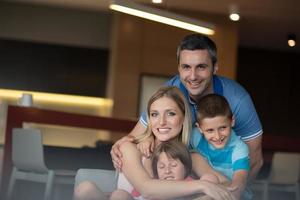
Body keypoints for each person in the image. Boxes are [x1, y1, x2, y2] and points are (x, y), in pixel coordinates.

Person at [111, 34, 263, 180]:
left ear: (215, 67)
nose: (193, 76)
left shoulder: (238, 99)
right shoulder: (170, 92)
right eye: (186, 67)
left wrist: (232, 194)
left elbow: (255, 159)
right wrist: (121, 146)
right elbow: (138, 135)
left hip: (223, 180)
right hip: (186, 178)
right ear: (178, 68)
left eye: (201, 67)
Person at [74, 86, 235, 200]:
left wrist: (207, 189)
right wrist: (202, 186)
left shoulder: (190, 157)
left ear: (183, 117)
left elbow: (231, 186)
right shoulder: (130, 148)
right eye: (155, 114)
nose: (162, 122)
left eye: (170, 114)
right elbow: (147, 189)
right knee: (87, 189)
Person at [191, 94, 251, 199]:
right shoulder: (195, 136)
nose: (217, 136)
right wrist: (151, 137)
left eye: (222, 128)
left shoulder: (239, 148)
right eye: (210, 130)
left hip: (231, 195)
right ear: (199, 128)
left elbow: (239, 182)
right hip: (206, 188)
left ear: (232, 121)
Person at [130, 140, 220, 200]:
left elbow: (211, 182)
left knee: (210, 178)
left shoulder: (191, 183)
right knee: (120, 193)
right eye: (161, 167)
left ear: (186, 167)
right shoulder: (153, 184)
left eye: (173, 165)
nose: (167, 171)